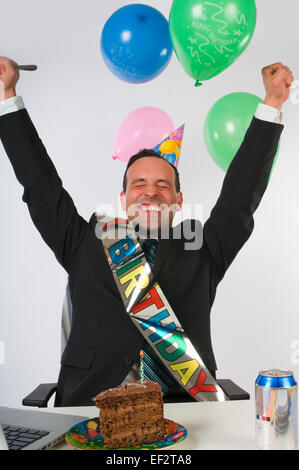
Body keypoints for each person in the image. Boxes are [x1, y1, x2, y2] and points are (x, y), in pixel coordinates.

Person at [0, 57, 294, 406]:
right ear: (123, 199)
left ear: (179, 199)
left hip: (184, 409)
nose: (151, 192)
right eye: (139, 184)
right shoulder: (82, 243)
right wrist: (7, 97)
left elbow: (241, 196)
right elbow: (40, 185)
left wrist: (272, 104)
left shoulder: (204, 249)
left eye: (162, 185)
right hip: (90, 408)